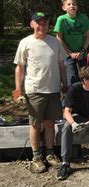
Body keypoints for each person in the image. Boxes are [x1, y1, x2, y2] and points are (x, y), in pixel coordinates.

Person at [13, 12, 66, 173]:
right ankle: (36, 157)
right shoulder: (25, 43)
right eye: (39, 23)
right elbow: (20, 67)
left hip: (54, 89)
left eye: (45, 23)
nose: (42, 26)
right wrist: (17, 90)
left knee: (50, 123)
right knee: (35, 124)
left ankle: (50, 154)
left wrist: (66, 84)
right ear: (32, 24)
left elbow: (61, 64)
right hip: (34, 90)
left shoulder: (55, 42)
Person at [53, 0, 89, 86]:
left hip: (82, 55)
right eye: (69, 4)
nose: (72, 6)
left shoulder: (83, 18)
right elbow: (59, 38)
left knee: (85, 79)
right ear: (64, 8)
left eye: (74, 4)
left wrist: (82, 51)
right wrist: (70, 53)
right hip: (68, 56)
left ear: (77, 7)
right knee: (72, 80)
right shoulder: (61, 19)